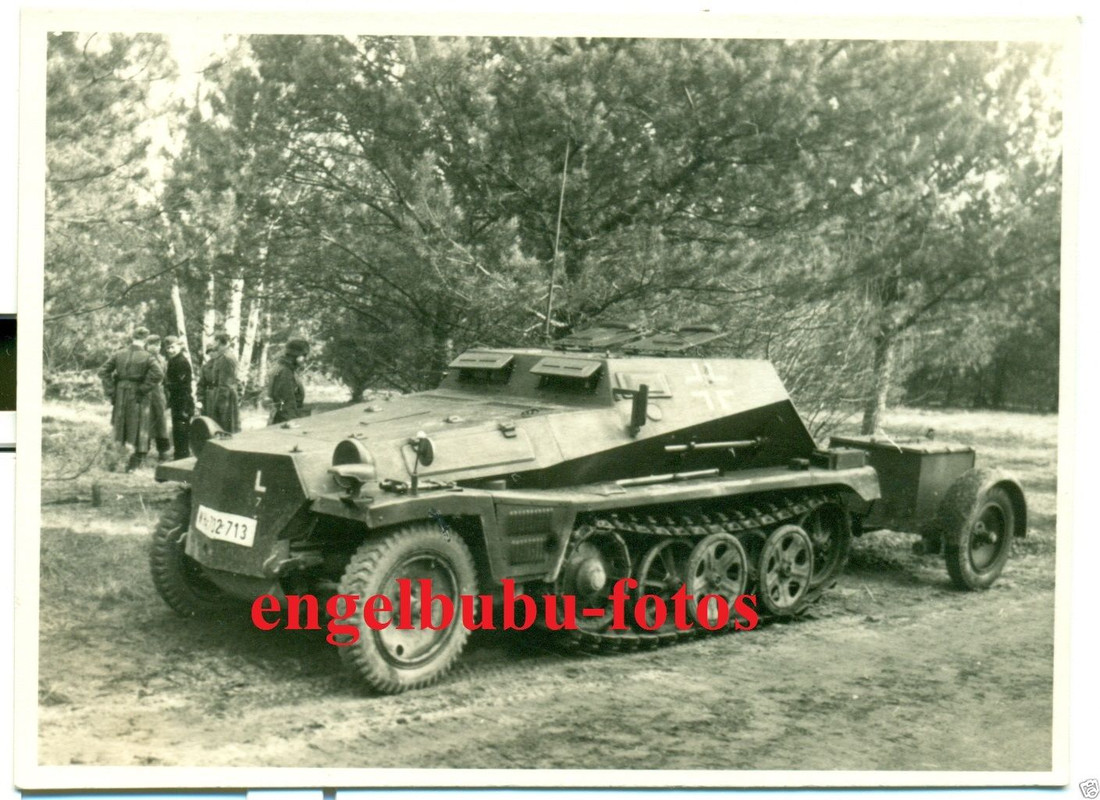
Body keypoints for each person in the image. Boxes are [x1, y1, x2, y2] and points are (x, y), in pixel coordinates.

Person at [98, 326, 164, 471]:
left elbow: (103, 371)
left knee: (120, 425)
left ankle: (114, 462)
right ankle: (134, 463)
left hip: (121, 392)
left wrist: (111, 390)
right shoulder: (148, 356)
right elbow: (158, 374)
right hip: (138, 394)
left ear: (132, 338)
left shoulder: (119, 354)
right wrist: (143, 388)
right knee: (139, 425)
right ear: (145, 340)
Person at [163, 335, 195, 459]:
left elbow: (181, 385)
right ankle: (179, 455)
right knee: (177, 429)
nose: (170, 350)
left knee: (181, 429)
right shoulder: (173, 361)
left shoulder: (181, 361)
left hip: (183, 400)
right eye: (168, 348)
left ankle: (182, 456)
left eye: (173, 347)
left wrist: (167, 384)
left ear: (179, 346)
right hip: (177, 400)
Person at [206, 332, 240, 433]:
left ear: (218, 342)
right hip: (224, 395)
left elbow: (225, 384)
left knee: (225, 429)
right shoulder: (223, 356)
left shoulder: (226, 358)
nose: (212, 344)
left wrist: (220, 405)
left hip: (225, 399)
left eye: (214, 341)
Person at [269, 338, 310, 424]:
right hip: (284, 420)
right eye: (304, 355)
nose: (306, 359)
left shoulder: (284, 368)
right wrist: (292, 422)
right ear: (295, 355)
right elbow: (286, 403)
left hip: (282, 418)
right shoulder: (285, 372)